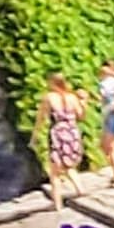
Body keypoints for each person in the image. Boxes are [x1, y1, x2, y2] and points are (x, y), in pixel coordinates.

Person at [38, 71, 86, 211]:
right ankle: (80, 190)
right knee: (69, 164)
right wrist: (83, 103)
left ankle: (58, 205)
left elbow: (42, 117)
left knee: (55, 172)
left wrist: (35, 134)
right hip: (72, 132)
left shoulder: (49, 98)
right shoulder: (72, 97)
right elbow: (81, 116)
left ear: (53, 83)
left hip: (57, 134)